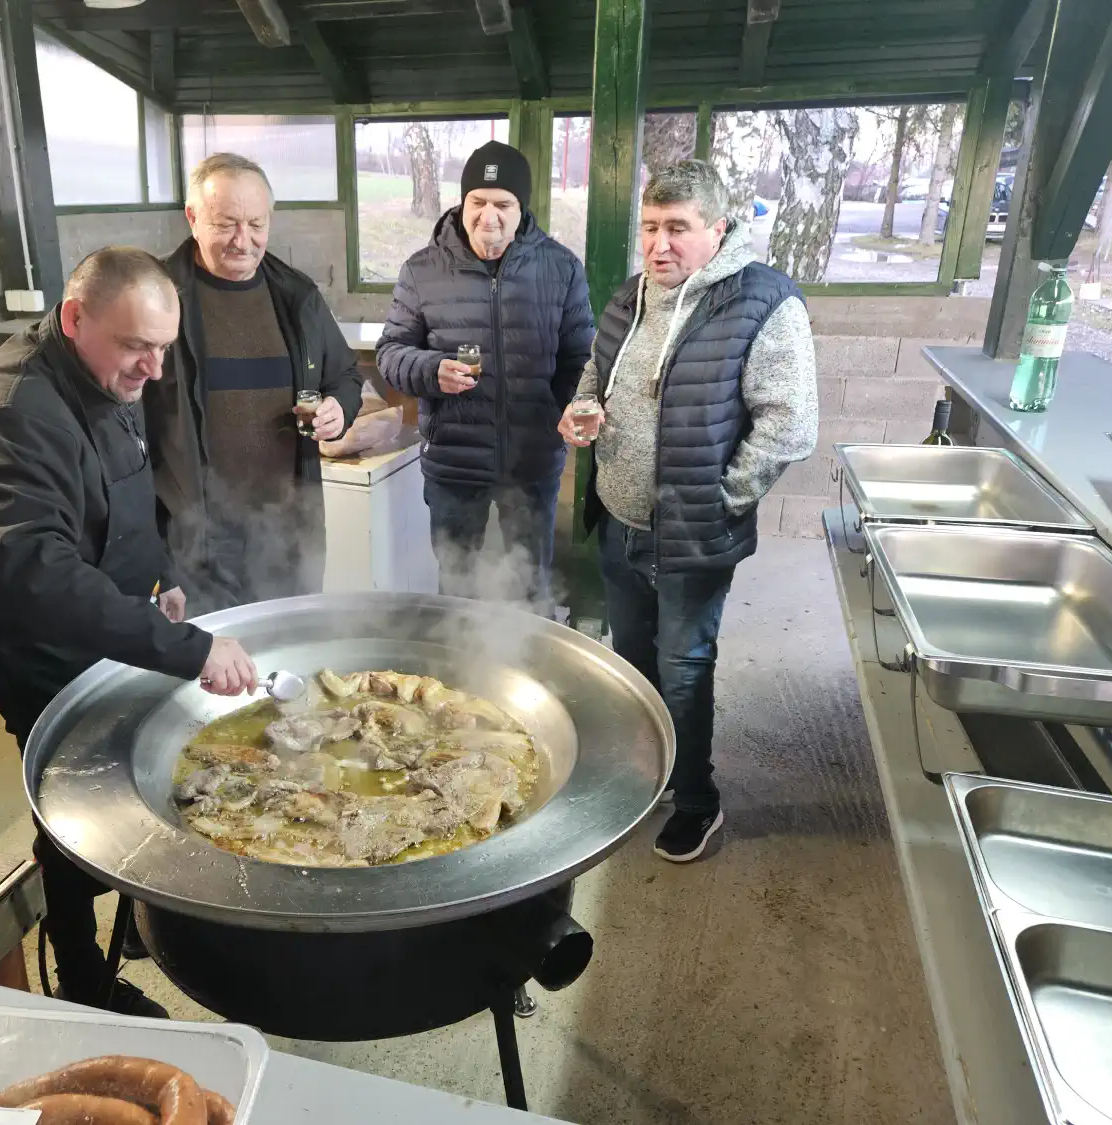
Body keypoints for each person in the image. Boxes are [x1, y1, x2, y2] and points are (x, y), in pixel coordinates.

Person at [0, 246, 258, 1015]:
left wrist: (162, 583)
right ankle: (82, 981)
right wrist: (191, 649)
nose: (152, 369)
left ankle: (140, 918)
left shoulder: (104, 373)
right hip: (49, 664)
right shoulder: (8, 414)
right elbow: (39, 579)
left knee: (142, 798)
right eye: (135, 346)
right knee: (74, 830)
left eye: (162, 348)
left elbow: (123, 491)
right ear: (76, 317)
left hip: (122, 639)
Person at [558, 160, 817, 863]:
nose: (659, 244)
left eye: (678, 228)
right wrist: (584, 410)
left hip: (694, 533)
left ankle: (697, 800)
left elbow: (790, 425)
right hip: (618, 519)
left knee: (683, 668)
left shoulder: (763, 303)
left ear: (718, 230)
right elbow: (594, 374)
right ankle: (649, 777)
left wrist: (721, 497)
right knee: (632, 664)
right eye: (649, 227)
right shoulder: (628, 299)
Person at [377, 141, 594, 613]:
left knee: (530, 585)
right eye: (478, 201)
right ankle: (458, 677)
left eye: (503, 204)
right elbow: (390, 353)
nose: (488, 216)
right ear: (462, 203)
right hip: (454, 463)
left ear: (522, 208)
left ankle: (528, 675)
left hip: (533, 461)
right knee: (457, 588)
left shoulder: (560, 268)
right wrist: (432, 371)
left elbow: (581, 357)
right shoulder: (421, 270)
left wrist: (573, 407)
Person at [144, 153, 363, 612]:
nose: (243, 241)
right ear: (193, 218)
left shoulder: (296, 296)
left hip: (287, 528)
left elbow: (344, 375)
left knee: (289, 657)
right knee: (213, 669)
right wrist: (158, 562)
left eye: (256, 224)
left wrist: (339, 410)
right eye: (226, 224)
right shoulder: (157, 298)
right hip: (195, 538)